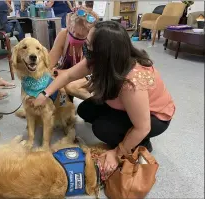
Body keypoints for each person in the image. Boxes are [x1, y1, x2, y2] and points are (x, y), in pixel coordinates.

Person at [32, 21, 175, 175]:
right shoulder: (102, 60)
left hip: (154, 118)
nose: (85, 47)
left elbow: (143, 127)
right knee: (86, 110)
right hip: (127, 106)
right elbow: (68, 75)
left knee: (102, 129)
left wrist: (117, 153)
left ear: (103, 52)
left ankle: (141, 142)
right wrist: (44, 93)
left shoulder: (132, 82)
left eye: (88, 44)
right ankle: (123, 127)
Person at [49, 7, 98, 100]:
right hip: (65, 73)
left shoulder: (92, 42)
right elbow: (49, 63)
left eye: (80, 35)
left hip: (88, 75)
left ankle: (95, 105)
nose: (74, 35)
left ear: (90, 34)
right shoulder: (63, 35)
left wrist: (56, 73)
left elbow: (82, 72)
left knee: (70, 86)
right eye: (72, 30)